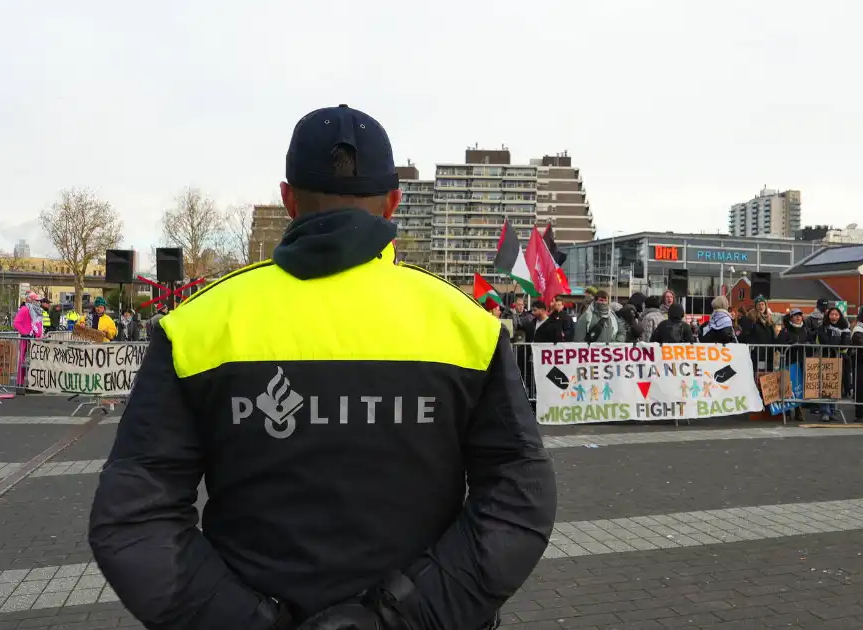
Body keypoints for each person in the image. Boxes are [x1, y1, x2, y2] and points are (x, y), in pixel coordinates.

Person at [89, 104, 557, 630]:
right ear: (393, 203)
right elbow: (519, 500)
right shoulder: (467, 326)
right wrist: (406, 616)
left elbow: (134, 519)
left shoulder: (196, 326)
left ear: (288, 198)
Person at [812, 307, 850, 422]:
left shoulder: (845, 329)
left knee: (834, 385)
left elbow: (845, 344)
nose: (834, 317)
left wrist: (835, 342)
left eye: (836, 315)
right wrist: (836, 341)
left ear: (840, 316)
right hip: (825, 358)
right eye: (832, 314)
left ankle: (832, 410)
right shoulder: (823, 328)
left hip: (838, 358)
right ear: (828, 316)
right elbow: (824, 341)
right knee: (825, 385)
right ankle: (825, 411)